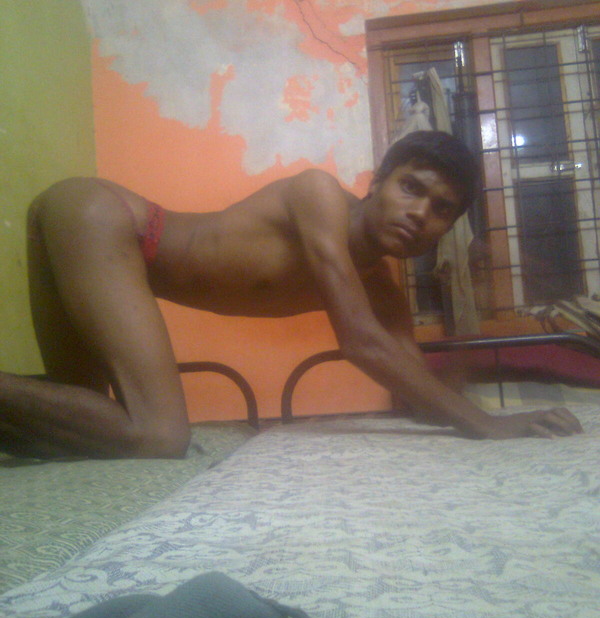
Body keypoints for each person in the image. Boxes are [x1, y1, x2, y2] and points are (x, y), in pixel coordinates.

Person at [0, 131, 582, 458]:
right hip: (113, 222)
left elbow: (417, 389)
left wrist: (486, 399)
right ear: (377, 183)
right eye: (411, 188)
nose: (419, 213)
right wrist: (487, 426)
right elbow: (361, 344)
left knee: (78, 419)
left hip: (107, 242)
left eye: (441, 209)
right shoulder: (319, 196)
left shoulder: (382, 292)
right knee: (159, 433)